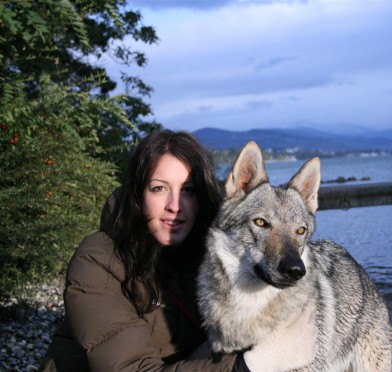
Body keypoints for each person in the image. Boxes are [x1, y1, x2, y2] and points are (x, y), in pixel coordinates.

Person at [41, 130, 317, 371]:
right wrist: (251, 365)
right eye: (159, 188)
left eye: (187, 190)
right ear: (137, 195)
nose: (175, 205)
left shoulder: (213, 253)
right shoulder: (97, 259)